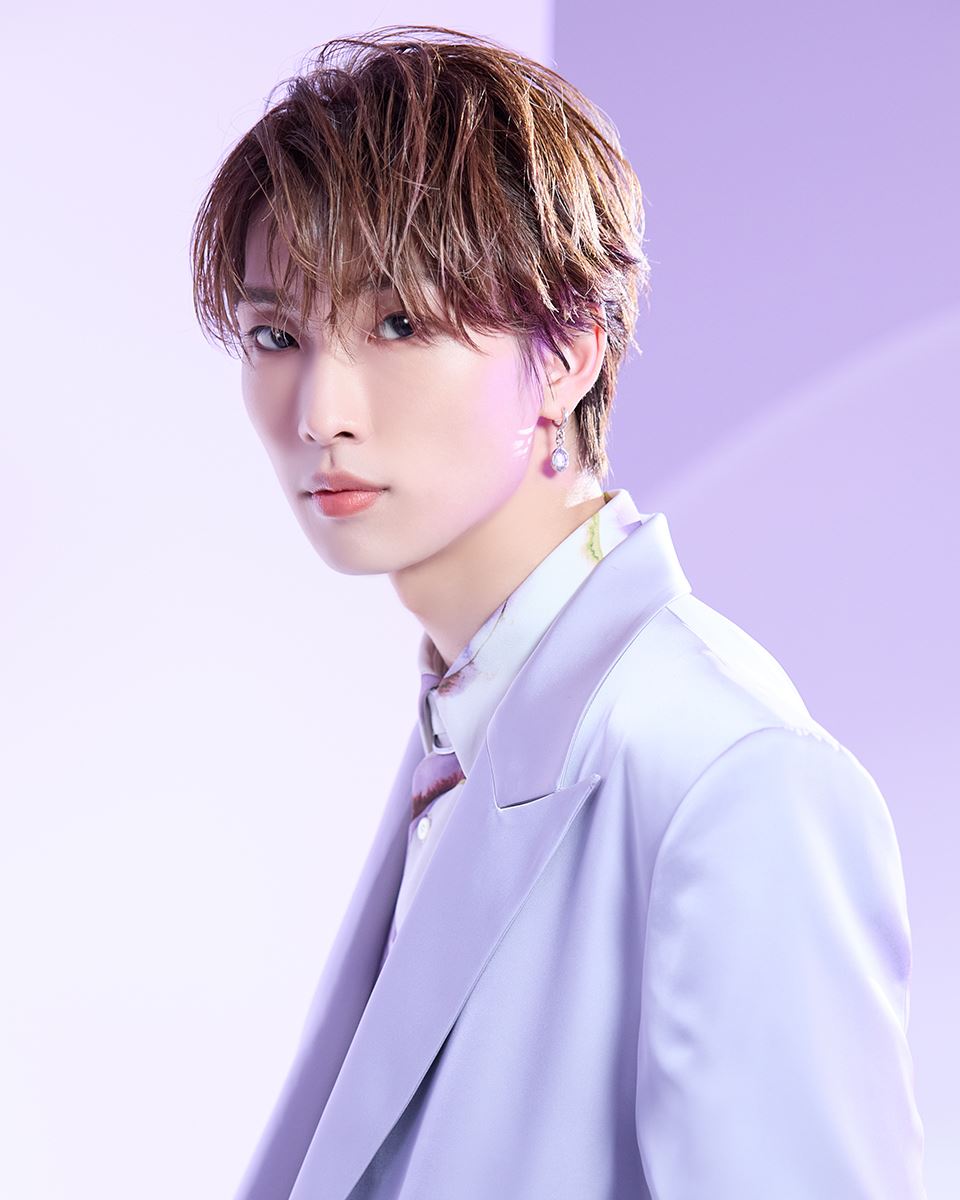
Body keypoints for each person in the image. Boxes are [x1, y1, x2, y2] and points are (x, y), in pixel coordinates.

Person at [189, 23, 927, 1200]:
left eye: (398, 324)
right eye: (278, 335)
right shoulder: (466, 721)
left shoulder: (727, 777)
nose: (320, 409)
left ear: (569, 352)